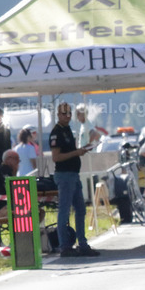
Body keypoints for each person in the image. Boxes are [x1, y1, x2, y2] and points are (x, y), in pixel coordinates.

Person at [50, 101, 99, 258]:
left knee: (81, 209)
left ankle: (82, 244)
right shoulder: (56, 132)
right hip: (64, 174)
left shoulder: (67, 130)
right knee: (64, 211)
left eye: (69, 113)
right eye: (64, 113)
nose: (67, 116)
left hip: (73, 174)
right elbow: (56, 157)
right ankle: (65, 246)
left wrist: (82, 149)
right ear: (58, 115)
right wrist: (76, 153)